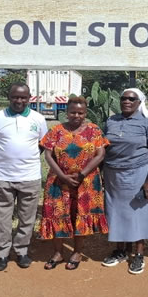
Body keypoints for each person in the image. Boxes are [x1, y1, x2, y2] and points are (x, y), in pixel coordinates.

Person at [39, 97, 109, 270]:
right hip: (58, 180)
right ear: (66, 113)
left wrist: (82, 174)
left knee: (81, 215)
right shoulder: (56, 130)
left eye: (80, 112)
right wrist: (62, 176)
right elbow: (48, 155)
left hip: (86, 182)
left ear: (85, 113)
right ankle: (58, 252)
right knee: (57, 214)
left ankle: (77, 252)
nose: (76, 115)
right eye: (72, 112)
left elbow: (100, 155)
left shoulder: (94, 130)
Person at [101, 88, 148, 275]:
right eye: (123, 98)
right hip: (113, 175)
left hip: (138, 173)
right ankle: (121, 251)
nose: (126, 101)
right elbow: (103, 149)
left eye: (131, 99)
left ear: (139, 102)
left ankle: (138, 254)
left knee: (138, 214)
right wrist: (101, 174)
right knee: (116, 213)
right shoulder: (111, 121)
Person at [0, 83, 48, 271]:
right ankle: (2, 254)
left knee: (27, 217)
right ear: (9, 96)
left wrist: (25, 158)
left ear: (29, 98)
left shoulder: (38, 118)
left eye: (23, 97)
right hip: (1, 176)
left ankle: (22, 251)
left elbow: (42, 144)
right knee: (2, 218)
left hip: (29, 176)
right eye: (15, 97)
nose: (19, 101)